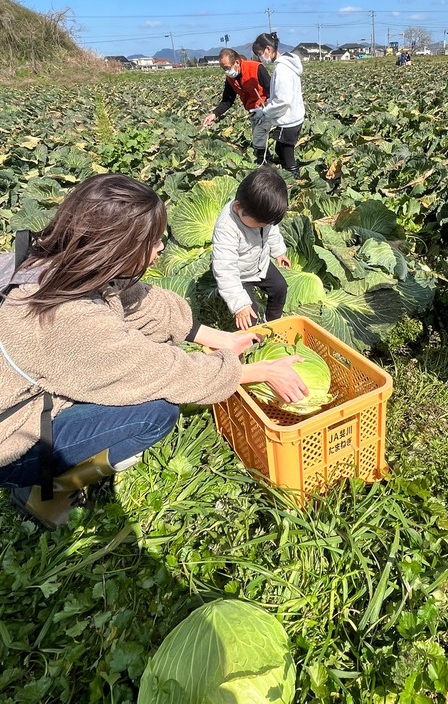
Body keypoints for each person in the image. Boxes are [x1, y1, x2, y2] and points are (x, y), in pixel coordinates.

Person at [0, 174, 306, 529]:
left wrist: (214, 337)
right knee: (156, 413)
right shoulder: (67, 321)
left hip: (24, 386)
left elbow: (137, 303)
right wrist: (257, 372)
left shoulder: (55, 260)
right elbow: (163, 373)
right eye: (153, 240)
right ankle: (44, 492)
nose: (161, 247)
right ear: (116, 248)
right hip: (11, 439)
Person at [212, 167, 291, 331]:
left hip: (260, 264)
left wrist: (279, 252)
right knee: (249, 317)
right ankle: (251, 345)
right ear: (237, 207)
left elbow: (272, 232)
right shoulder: (226, 228)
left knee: (280, 288)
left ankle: (272, 322)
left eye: (266, 224)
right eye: (259, 224)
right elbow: (225, 269)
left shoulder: (260, 213)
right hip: (240, 275)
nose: (263, 227)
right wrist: (239, 305)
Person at [249, 32, 305, 176]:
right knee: (281, 150)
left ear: (268, 49)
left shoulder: (282, 70)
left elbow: (282, 101)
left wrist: (264, 113)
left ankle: (295, 184)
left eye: (260, 53)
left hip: (288, 121)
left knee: (287, 158)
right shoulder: (289, 64)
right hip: (295, 117)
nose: (260, 57)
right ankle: (291, 181)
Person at [200, 48, 271, 142]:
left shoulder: (256, 68)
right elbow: (228, 100)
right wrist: (214, 114)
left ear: (237, 62)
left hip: (268, 112)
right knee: (259, 145)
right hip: (254, 114)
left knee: (267, 144)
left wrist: (267, 105)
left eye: (227, 67)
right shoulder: (230, 78)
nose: (226, 71)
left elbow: (272, 89)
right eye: (223, 68)